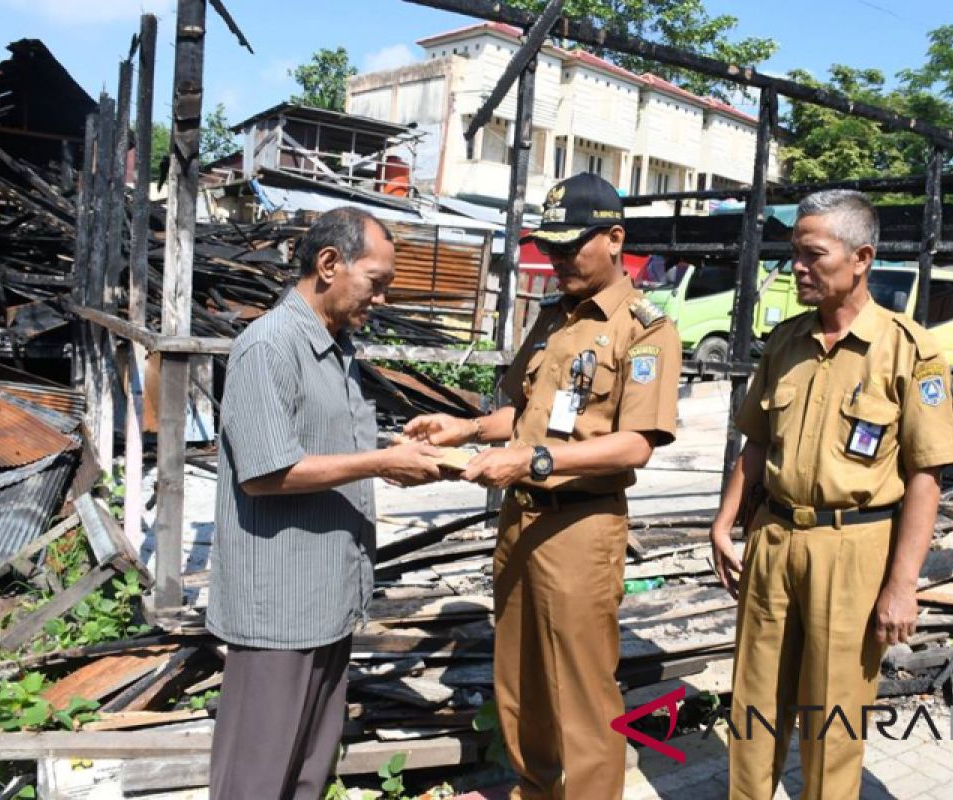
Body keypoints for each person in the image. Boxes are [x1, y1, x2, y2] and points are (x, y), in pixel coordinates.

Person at [405, 172, 682, 799]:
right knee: (521, 685)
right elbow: (527, 413)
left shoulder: (646, 329)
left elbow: (636, 443)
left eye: (569, 247)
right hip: (521, 523)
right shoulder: (554, 318)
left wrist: (531, 462)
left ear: (613, 239)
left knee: (582, 699)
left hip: (580, 528)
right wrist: (467, 428)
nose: (555, 261)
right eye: (549, 248)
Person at [710, 190, 953, 799]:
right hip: (772, 539)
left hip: (854, 549)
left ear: (861, 258)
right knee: (754, 704)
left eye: (811, 254)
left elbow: (927, 476)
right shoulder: (785, 342)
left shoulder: (910, 351)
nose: (797, 266)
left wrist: (902, 585)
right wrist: (724, 523)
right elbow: (756, 442)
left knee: (833, 714)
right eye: (793, 253)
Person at [207, 207, 443, 799]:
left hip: (327, 598)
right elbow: (265, 473)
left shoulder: (337, 349)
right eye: (376, 282)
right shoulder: (268, 347)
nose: (381, 298)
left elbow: (337, 447)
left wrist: (397, 449)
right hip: (279, 610)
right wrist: (380, 463)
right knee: (256, 779)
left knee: (310, 772)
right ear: (330, 264)